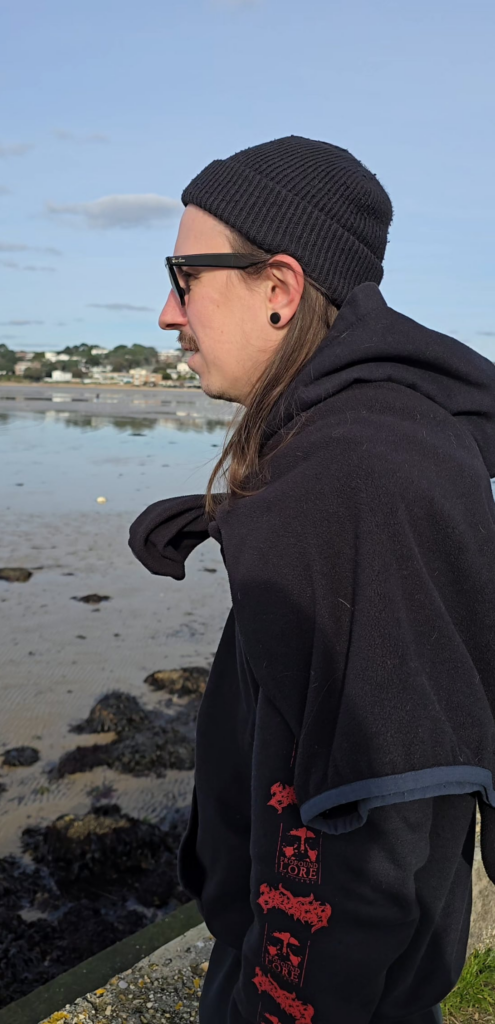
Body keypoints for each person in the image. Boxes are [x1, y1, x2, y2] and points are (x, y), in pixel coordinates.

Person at [129, 136, 495, 1024]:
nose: (169, 314)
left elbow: (373, 834)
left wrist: (277, 1002)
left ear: (280, 290)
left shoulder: (353, 479)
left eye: (185, 277)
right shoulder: (379, 442)